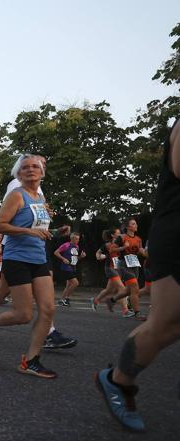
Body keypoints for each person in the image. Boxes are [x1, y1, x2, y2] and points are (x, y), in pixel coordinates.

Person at [95, 119, 180, 433]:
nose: (129, 228)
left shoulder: (132, 239)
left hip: (138, 261)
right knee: (165, 323)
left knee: (137, 293)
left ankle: (117, 302)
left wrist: (139, 251)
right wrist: (112, 251)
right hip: (175, 234)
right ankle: (118, 380)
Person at [0, 154, 57, 378]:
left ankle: (30, 360)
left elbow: (35, 223)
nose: (31, 170)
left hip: (39, 257)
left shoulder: (39, 197)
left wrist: (44, 219)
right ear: (18, 174)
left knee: (48, 309)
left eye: (35, 166)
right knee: (24, 314)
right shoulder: (16, 195)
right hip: (17, 258)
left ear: (42, 172)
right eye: (25, 167)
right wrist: (29, 231)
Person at [109, 218, 147, 319]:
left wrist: (146, 253)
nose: (136, 225)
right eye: (133, 224)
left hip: (134, 264)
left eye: (136, 224)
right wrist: (123, 247)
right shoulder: (122, 238)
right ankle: (137, 313)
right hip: (124, 265)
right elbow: (112, 249)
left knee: (128, 291)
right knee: (135, 287)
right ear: (128, 227)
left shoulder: (138, 239)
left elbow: (140, 250)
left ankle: (112, 300)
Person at [91, 228, 129, 314]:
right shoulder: (107, 245)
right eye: (118, 233)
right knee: (122, 288)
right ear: (113, 235)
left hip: (118, 268)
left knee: (109, 290)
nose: (120, 234)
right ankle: (125, 310)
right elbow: (98, 253)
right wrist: (99, 256)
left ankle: (96, 300)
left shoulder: (122, 244)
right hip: (110, 268)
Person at [55, 232, 86, 307]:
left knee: (68, 286)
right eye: (76, 239)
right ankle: (66, 298)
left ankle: (61, 300)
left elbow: (75, 259)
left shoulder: (77, 247)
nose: (77, 240)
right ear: (71, 238)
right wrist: (63, 259)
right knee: (75, 283)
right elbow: (56, 252)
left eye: (78, 239)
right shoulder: (66, 245)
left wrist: (81, 257)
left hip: (72, 267)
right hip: (66, 267)